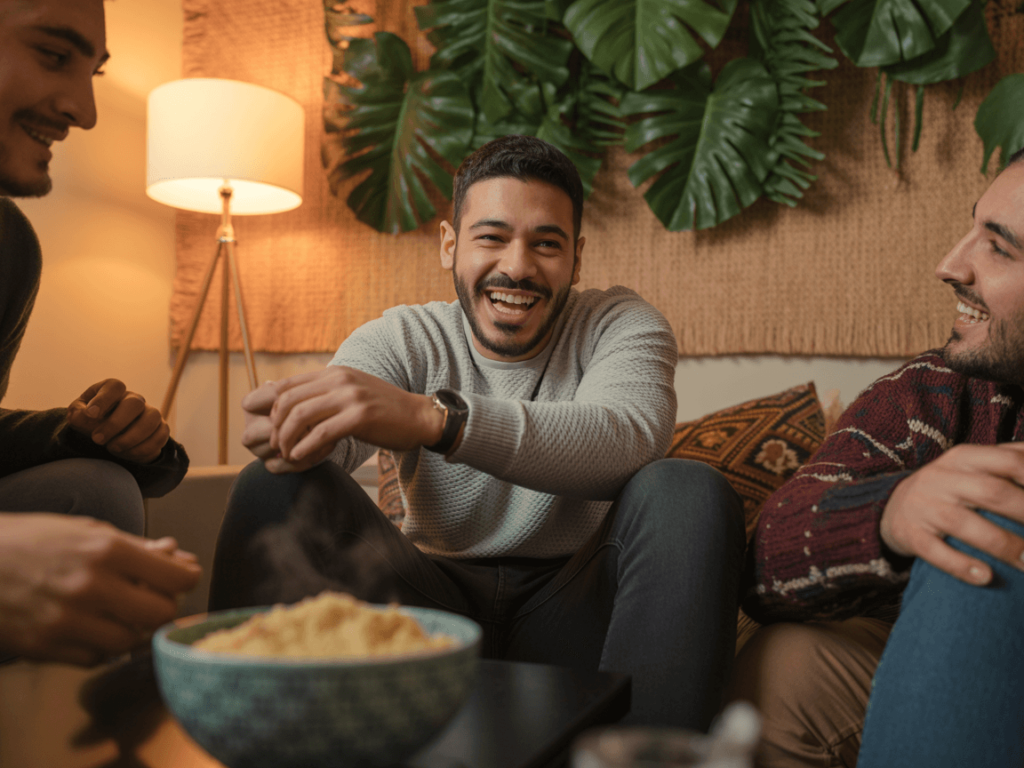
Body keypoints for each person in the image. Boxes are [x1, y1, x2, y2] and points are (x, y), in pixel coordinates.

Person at [209, 134, 746, 730]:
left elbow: (627, 438)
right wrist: (295, 433)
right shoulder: (403, 337)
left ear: (577, 257)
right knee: (271, 483)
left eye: (547, 244)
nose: (517, 267)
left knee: (687, 490)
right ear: (450, 245)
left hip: (576, 607)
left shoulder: (619, 324)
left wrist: (433, 419)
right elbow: (333, 444)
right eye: (492, 237)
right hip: (421, 609)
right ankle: (240, 734)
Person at [732, 147, 1024, 766]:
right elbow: (765, 562)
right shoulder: (936, 391)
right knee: (787, 665)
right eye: (971, 229)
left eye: (1000, 248)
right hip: (944, 677)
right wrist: (892, 515)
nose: (950, 266)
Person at [0, 0, 201, 667]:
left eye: (95, 71)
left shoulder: (7, 246)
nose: (84, 112)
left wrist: (79, 432)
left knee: (96, 487)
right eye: (54, 55)